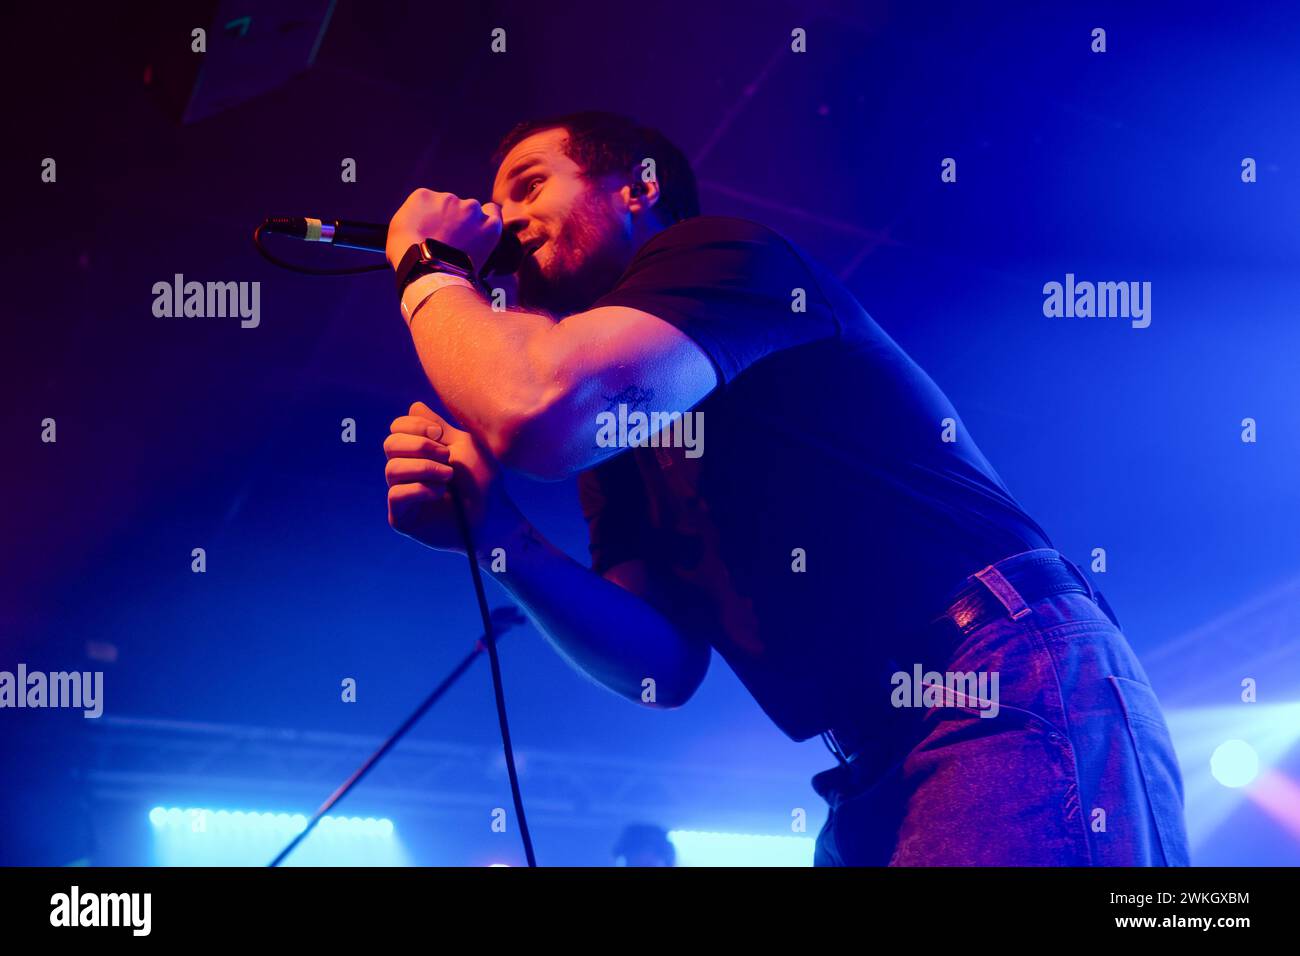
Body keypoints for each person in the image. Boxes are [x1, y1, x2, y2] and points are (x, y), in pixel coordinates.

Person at [379, 111, 1189, 866]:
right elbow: (661, 665)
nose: (503, 217)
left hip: (994, 669)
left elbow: (536, 408)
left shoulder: (724, 254)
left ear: (639, 186)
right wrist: (495, 534)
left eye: (527, 185)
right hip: (873, 751)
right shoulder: (622, 437)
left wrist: (427, 264)